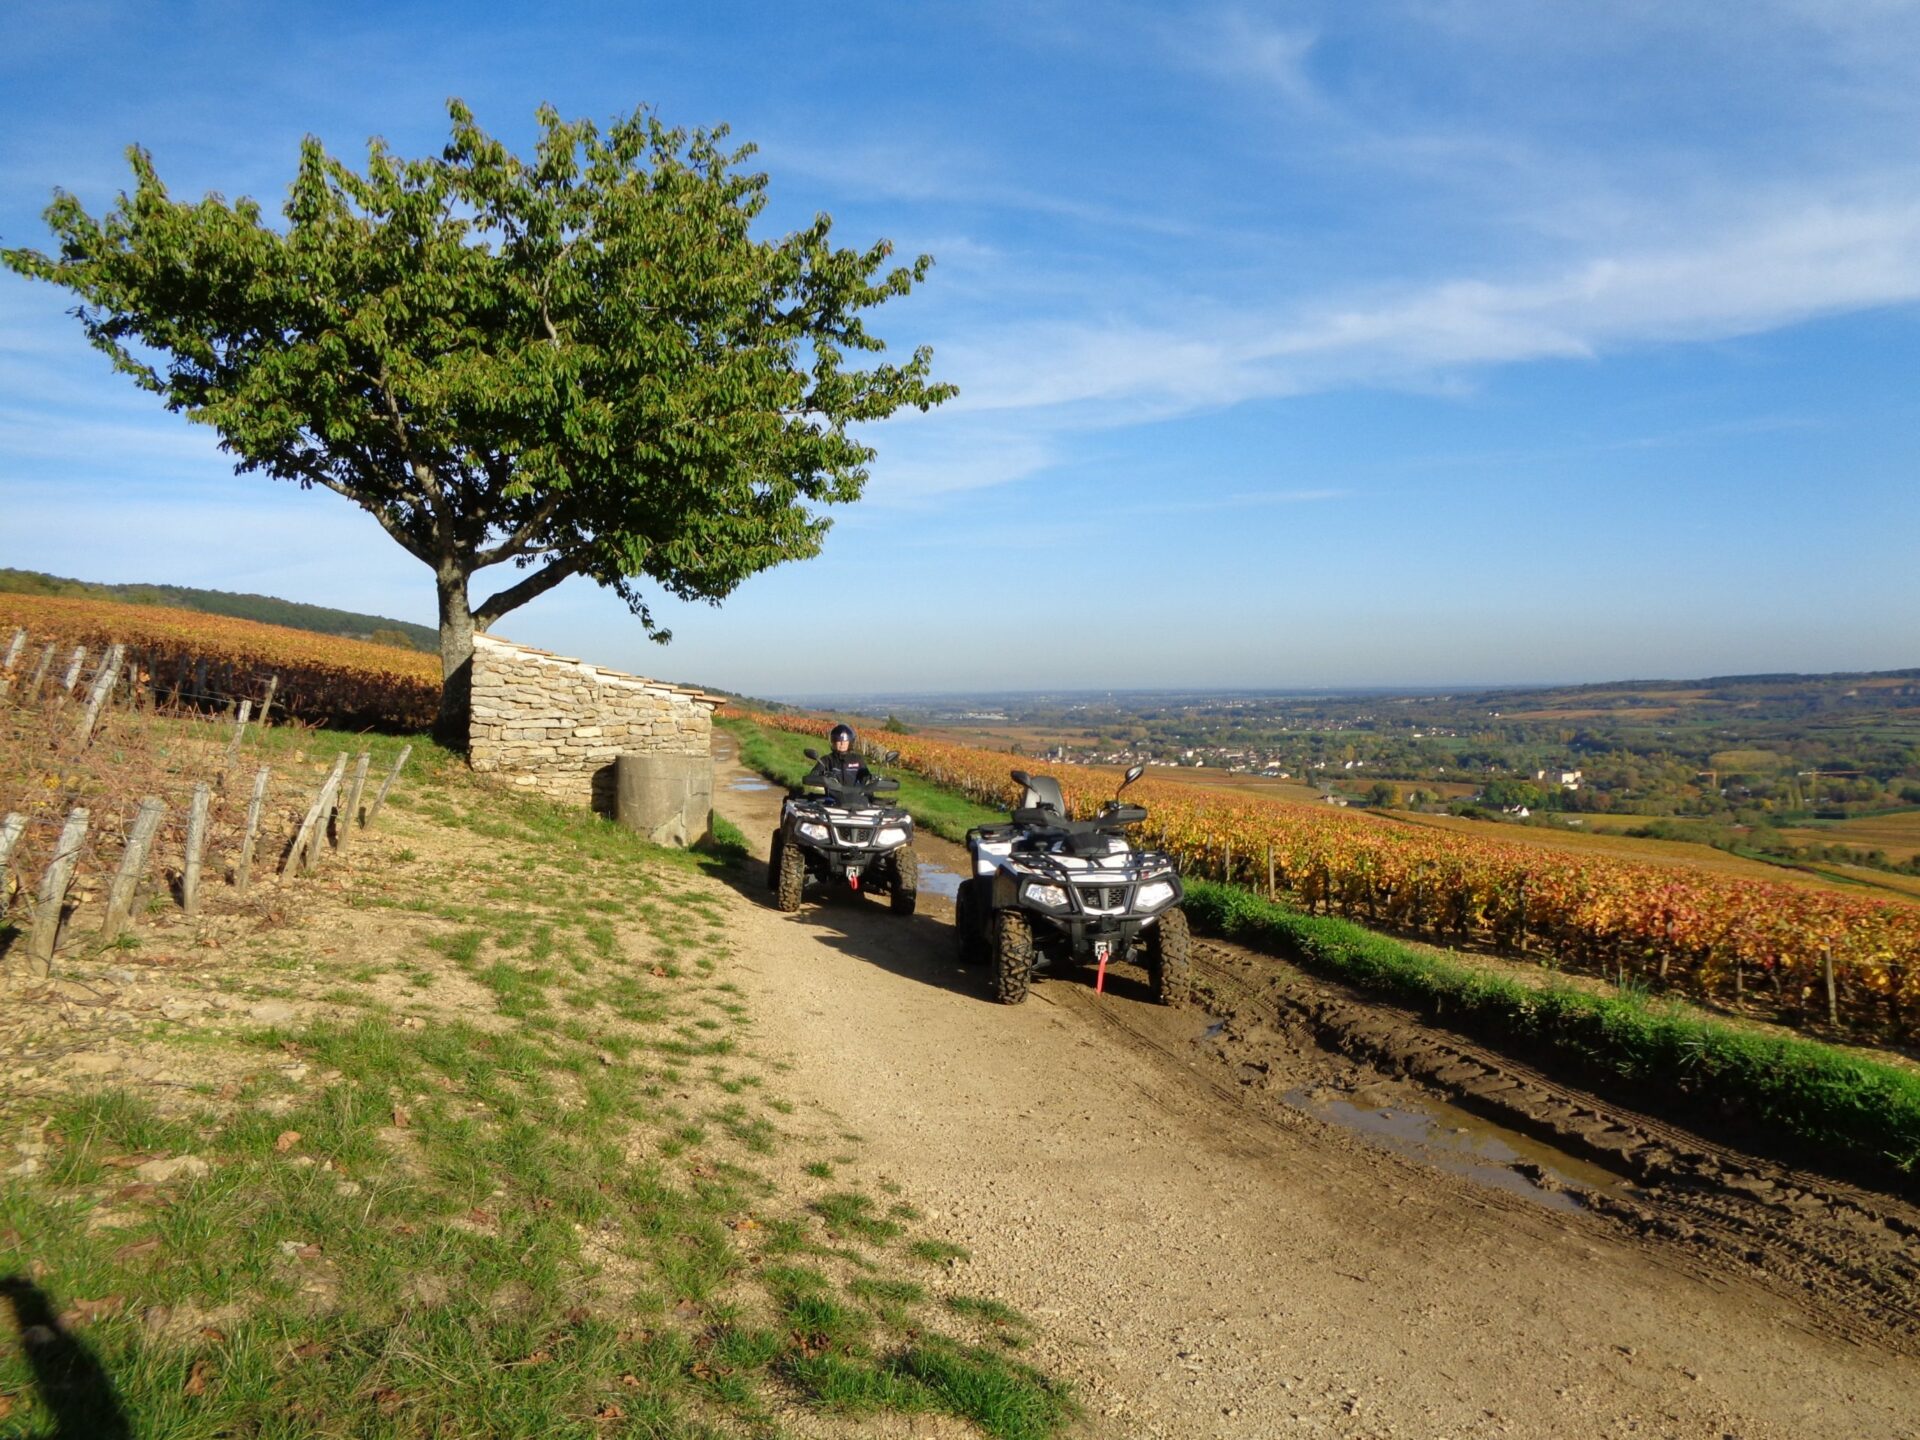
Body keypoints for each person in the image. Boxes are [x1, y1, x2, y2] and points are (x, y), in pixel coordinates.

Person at [806, 722, 873, 790]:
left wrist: (871, 779)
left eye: (845, 741)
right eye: (839, 741)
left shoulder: (857, 759)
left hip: (854, 797)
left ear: (850, 742)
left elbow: (867, 779)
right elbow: (813, 776)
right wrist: (824, 776)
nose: (842, 744)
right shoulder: (826, 760)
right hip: (832, 798)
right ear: (833, 742)